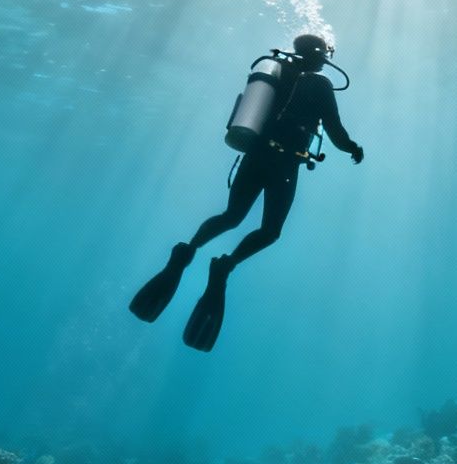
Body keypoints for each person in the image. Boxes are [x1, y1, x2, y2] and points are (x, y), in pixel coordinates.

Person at [130, 33, 363, 350]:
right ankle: (225, 266)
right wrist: (353, 148)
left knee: (231, 216)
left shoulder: (275, 70)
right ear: (319, 54)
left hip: (254, 156)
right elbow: (335, 131)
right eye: (325, 54)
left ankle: (186, 252)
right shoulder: (320, 85)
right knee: (270, 231)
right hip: (284, 166)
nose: (326, 60)